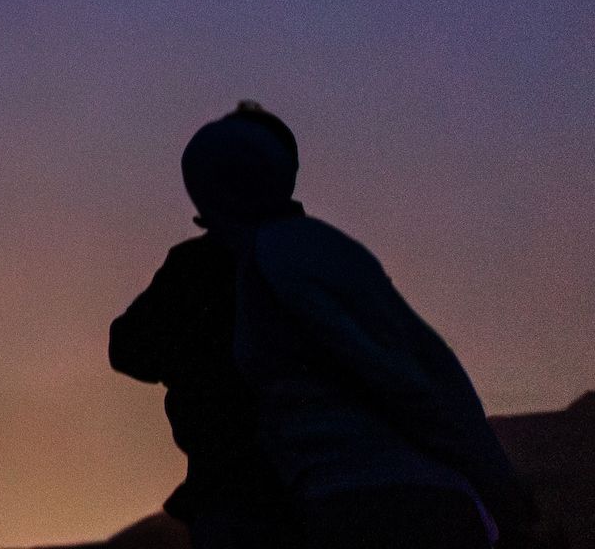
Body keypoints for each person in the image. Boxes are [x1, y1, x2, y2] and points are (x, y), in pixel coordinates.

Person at [182, 110, 543, 549]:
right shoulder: (273, 257)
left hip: (386, 503)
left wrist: (504, 497)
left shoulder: (287, 251)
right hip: (353, 501)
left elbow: (407, 377)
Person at [111, 102, 301, 549]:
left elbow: (128, 346)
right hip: (308, 485)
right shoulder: (323, 259)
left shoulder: (196, 266)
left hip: (238, 490)